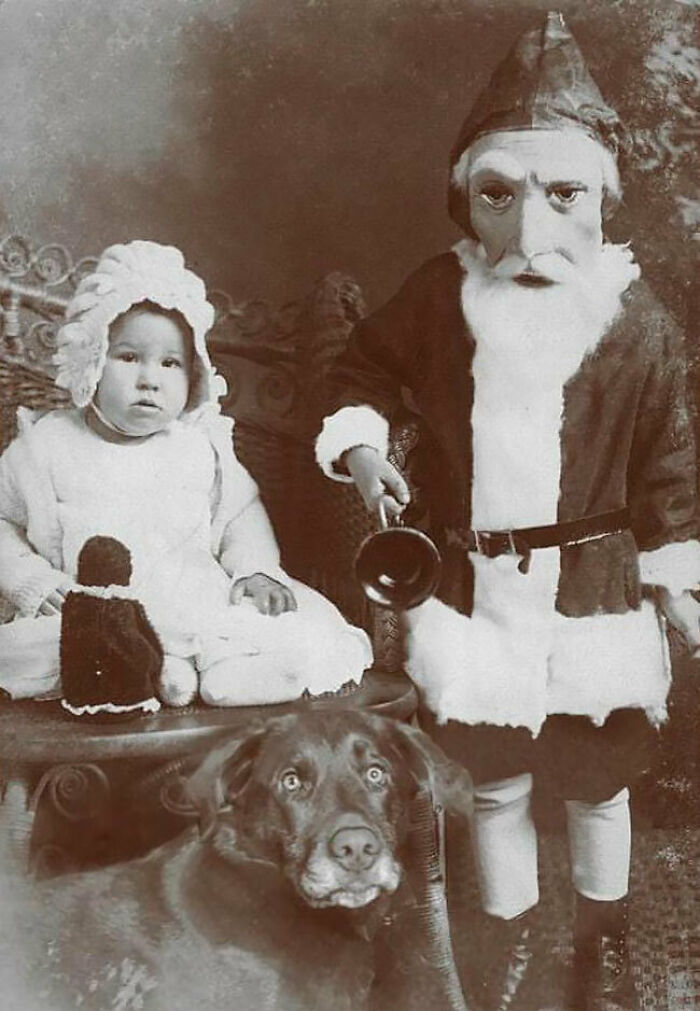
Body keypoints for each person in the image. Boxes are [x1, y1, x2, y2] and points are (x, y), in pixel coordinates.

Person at [315, 12, 700, 1010]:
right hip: (474, 592)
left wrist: (682, 585)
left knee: (596, 779)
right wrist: (361, 447)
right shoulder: (438, 297)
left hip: (593, 598)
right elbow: (358, 369)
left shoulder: (637, 325)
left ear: (602, 203)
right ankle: (506, 945)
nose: (529, 230)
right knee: (493, 779)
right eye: (499, 195)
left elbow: (666, 468)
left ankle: (599, 952)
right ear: (468, 202)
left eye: (562, 193)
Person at [0, 240, 372, 707]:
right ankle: (169, 673)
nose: (149, 379)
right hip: (91, 608)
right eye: (129, 357)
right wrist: (30, 580)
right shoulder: (45, 446)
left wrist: (255, 569)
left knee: (270, 625)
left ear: (194, 373)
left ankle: (228, 677)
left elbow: (240, 514)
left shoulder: (199, 446)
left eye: (170, 363)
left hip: (192, 597)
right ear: (90, 358)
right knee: (52, 646)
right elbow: (2, 523)